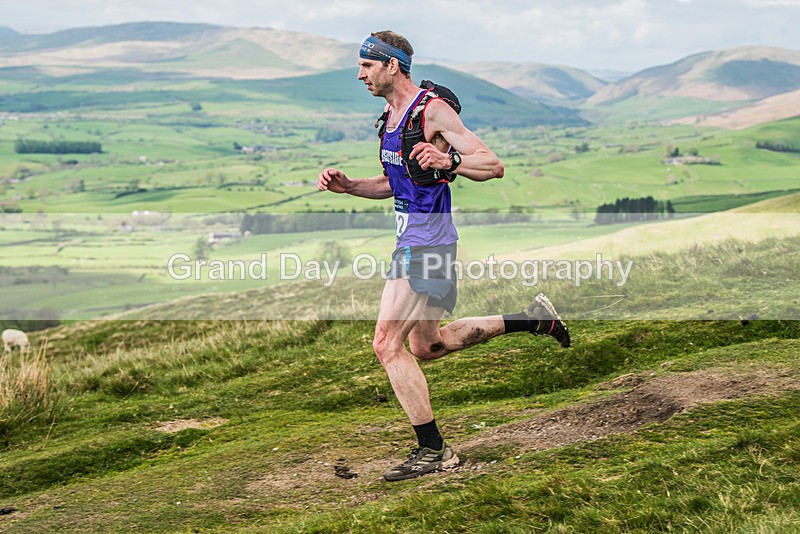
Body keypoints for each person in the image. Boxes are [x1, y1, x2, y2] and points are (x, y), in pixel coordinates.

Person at [317, 30, 570, 482]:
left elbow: (492, 165)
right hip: (415, 241)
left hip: (427, 244)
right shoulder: (390, 116)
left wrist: (449, 163)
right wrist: (350, 186)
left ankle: (434, 450)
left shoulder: (431, 110)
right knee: (427, 346)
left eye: (367, 65)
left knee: (385, 344)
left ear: (393, 65)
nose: (360, 74)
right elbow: (395, 182)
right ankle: (534, 318)